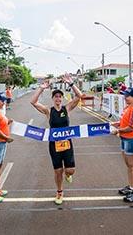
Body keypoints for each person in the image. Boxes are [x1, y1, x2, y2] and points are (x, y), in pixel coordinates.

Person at [30, 74, 83, 205]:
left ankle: (68, 174)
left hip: (67, 143)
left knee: (70, 170)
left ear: (62, 98)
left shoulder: (67, 108)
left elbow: (79, 96)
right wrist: (41, 88)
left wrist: (71, 83)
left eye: (60, 96)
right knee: (57, 170)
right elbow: (33, 102)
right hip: (54, 145)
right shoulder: (49, 111)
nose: (58, 98)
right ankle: (59, 191)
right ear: (53, 98)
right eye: (56, 96)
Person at [111, 87, 133, 203]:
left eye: (128, 96)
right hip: (125, 139)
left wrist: (118, 131)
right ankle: (131, 187)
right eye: (125, 95)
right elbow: (125, 122)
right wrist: (117, 124)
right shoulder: (127, 108)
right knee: (129, 165)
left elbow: (131, 127)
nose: (125, 97)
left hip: (132, 140)